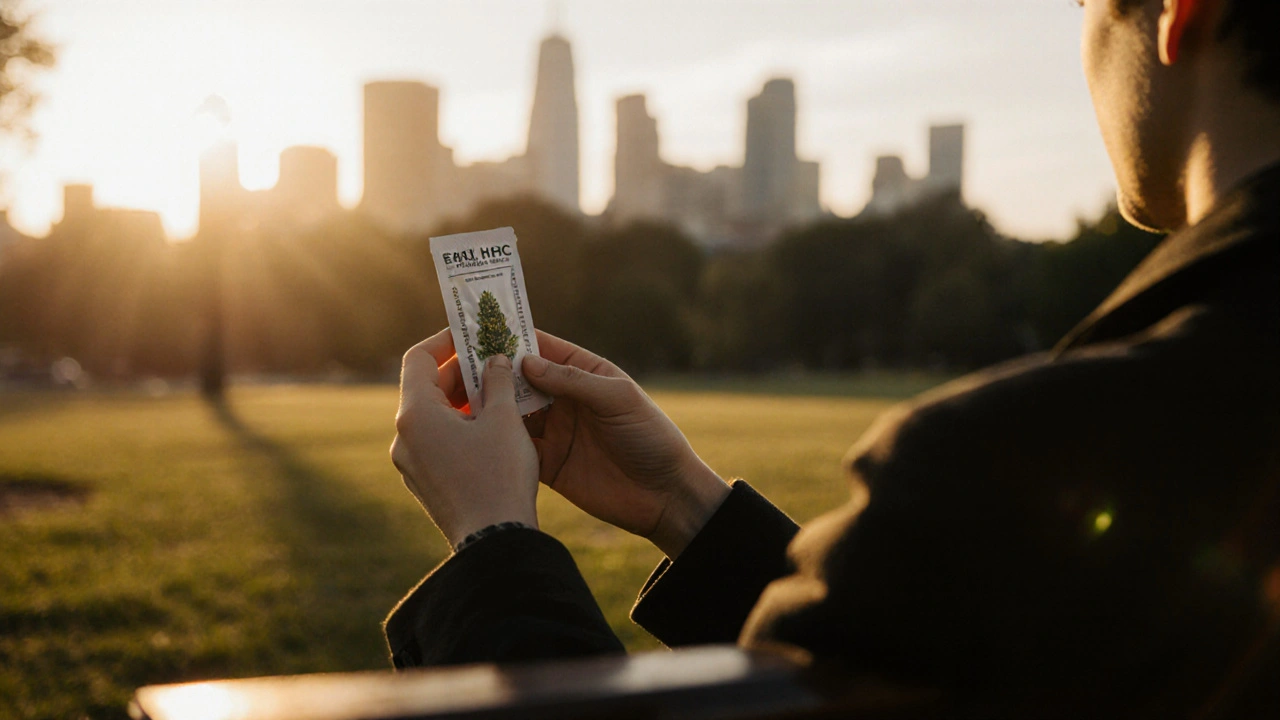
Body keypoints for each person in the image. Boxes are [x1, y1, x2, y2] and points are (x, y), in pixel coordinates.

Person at [385, 0, 1280, 714]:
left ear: (1179, 11)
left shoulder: (1014, 465)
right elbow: (947, 675)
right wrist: (683, 504)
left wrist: (495, 544)